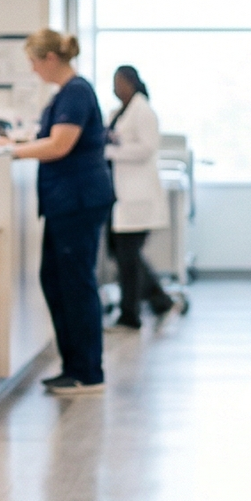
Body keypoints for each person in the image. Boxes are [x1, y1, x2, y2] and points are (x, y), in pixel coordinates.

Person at [0, 30, 114, 396]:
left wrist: (10, 151)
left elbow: (60, 145)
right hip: (67, 200)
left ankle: (88, 372)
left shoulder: (76, 91)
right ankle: (74, 366)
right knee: (57, 280)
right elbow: (49, 138)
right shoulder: (66, 94)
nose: (32, 70)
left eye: (32, 61)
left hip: (78, 200)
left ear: (49, 59)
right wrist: (15, 143)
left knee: (75, 285)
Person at [105, 64, 177, 331]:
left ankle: (130, 315)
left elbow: (147, 149)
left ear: (131, 82)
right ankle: (159, 299)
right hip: (120, 195)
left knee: (128, 257)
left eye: (118, 82)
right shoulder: (118, 112)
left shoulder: (143, 110)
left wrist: (110, 151)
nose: (115, 87)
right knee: (123, 254)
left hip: (138, 195)